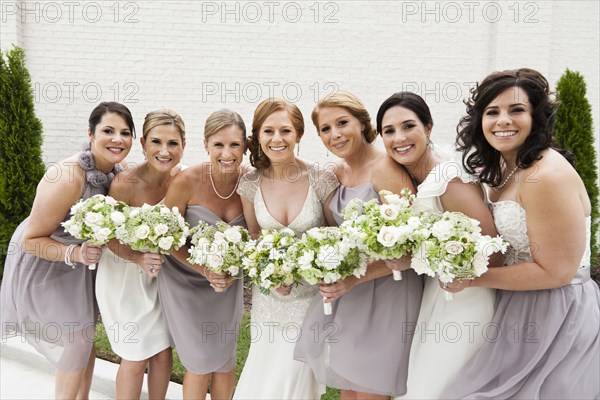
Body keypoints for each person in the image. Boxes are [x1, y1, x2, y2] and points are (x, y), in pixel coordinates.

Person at [441, 68, 600, 399]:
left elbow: (556, 271)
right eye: (492, 112)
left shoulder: (547, 176)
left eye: (517, 110)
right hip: (519, 303)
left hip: (555, 312)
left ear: (536, 118)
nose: (503, 121)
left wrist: (471, 278)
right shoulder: (506, 166)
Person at [0, 102, 134, 399]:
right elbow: (31, 240)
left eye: (125, 133)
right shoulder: (67, 176)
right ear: (90, 133)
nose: (117, 139)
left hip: (81, 269)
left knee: (84, 341)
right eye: (108, 131)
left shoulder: (117, 174)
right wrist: (74, 254)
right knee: (76, 340)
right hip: (46, 261)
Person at [294, 91, 422, 399]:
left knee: (370, 388)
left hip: (387, 290)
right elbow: (331, 233)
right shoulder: (334, 173)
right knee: (348, 389)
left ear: (362, 124)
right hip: (350, 293)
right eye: (326, 129)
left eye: (342, 123)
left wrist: (353, 279)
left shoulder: (387, 169)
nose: (335, 134)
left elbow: (409, 246)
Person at [375, 92, 503, 399]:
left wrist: (416, 261)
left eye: (408, 126)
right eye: (388, 131)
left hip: (466, 302)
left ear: (429, 127)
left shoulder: (449, 180)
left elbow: (493, 253)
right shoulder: (414, 178)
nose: (399, 138)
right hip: (436, 297)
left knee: (433, 388)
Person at [233, 98, 338, 399]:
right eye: (268, 131)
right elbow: (254, 239)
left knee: (294, 383)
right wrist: (272, 277)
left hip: (310, 302)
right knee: (263, 376)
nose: (276, 139)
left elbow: (335, 238)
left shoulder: (321, 179)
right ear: (258, 135)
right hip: (269, 305)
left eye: (285, 131)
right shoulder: (249, 184)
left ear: (299, 135)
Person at [96, 109, 186, 399]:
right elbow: (108, 235)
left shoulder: (181, 179)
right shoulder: (126, 184)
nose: (164, 151)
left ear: (184, 144)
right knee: (135, 357)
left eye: (173, 143)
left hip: (161, 279)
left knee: (161, 352)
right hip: (124, 279)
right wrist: (137, 258)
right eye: (157, 142)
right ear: (144, 142)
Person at [159, 109, 247, 400]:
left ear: (245, 146)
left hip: (227, 283)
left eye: (234, 145)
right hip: (185, 279)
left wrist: (232, 271)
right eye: (218, 145)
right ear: (206, 144)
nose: (227, 153)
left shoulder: (251, 182)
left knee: (224, 360)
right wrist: (205, 270)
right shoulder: (186, 181)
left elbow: (257, 236)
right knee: (198, 361)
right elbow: (167, 238)